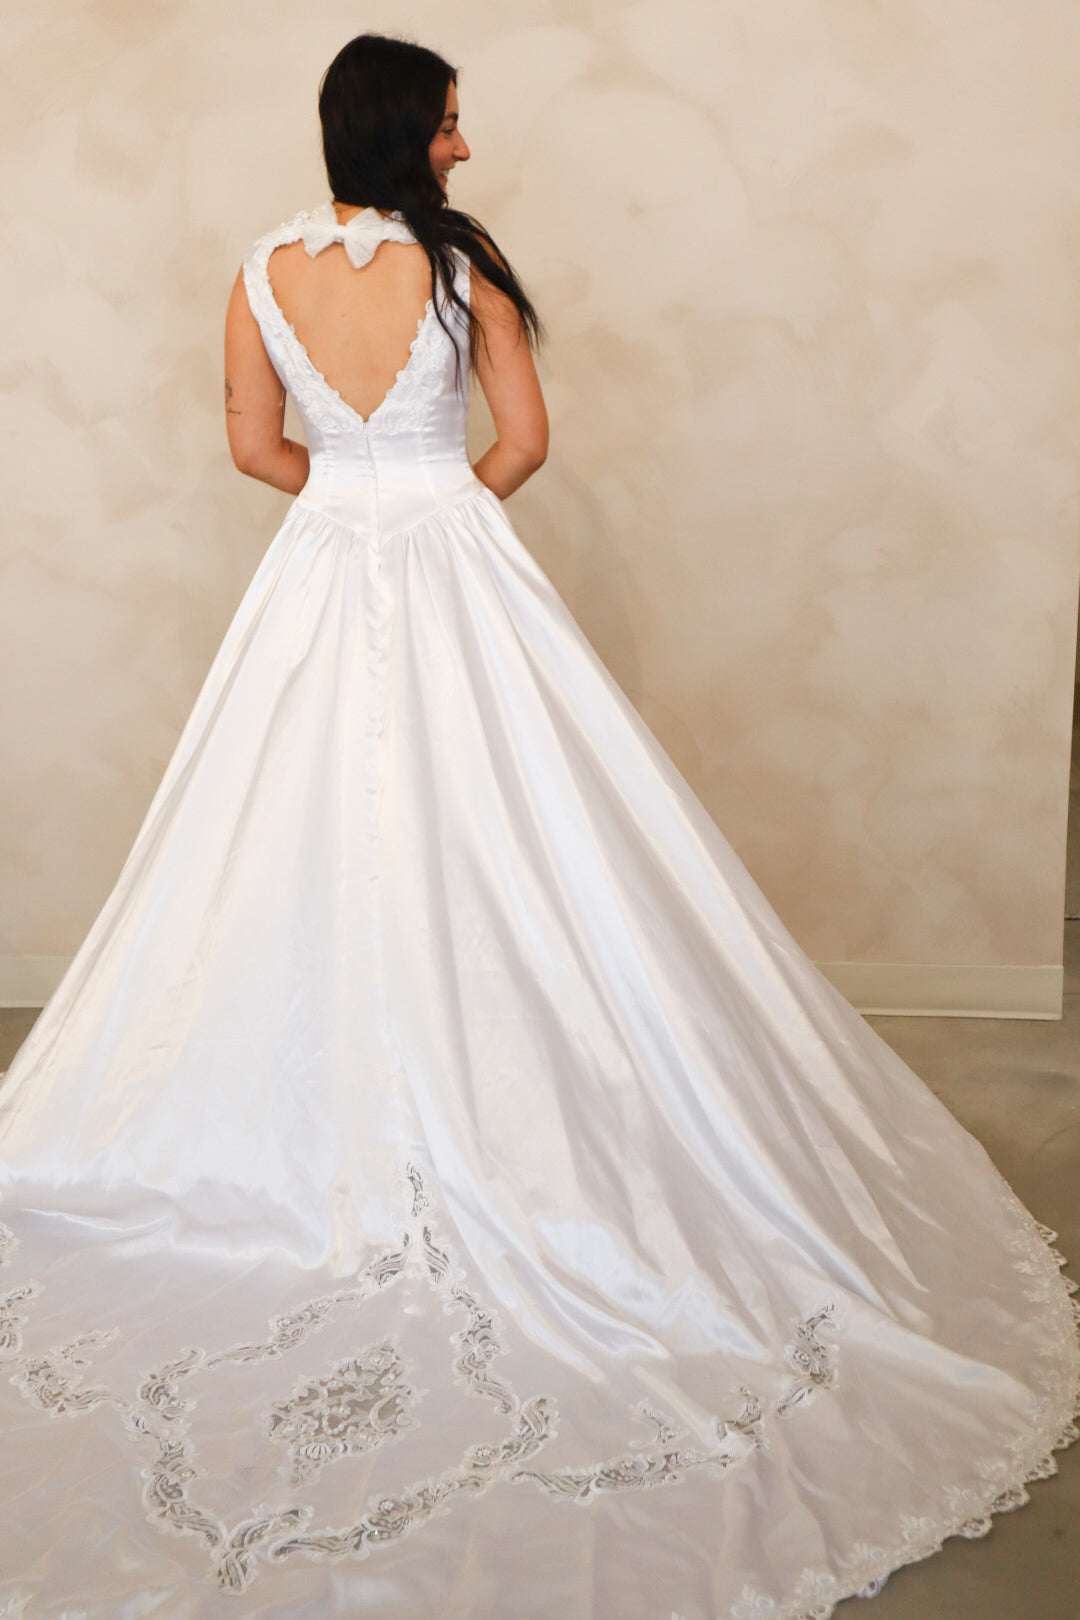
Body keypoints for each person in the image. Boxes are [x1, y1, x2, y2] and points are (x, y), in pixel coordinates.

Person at [0, 30, 1076, 1620]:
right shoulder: (461, 268)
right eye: (450, 123)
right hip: (455, 564)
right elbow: (525, 443)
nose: (465, 145)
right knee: (534, 841)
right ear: (407, 133)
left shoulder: (258, 271)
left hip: (316, 579)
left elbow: (250, 446)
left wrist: (352, 508)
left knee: (277, 844)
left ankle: (303, 1129)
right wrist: (436, 512)